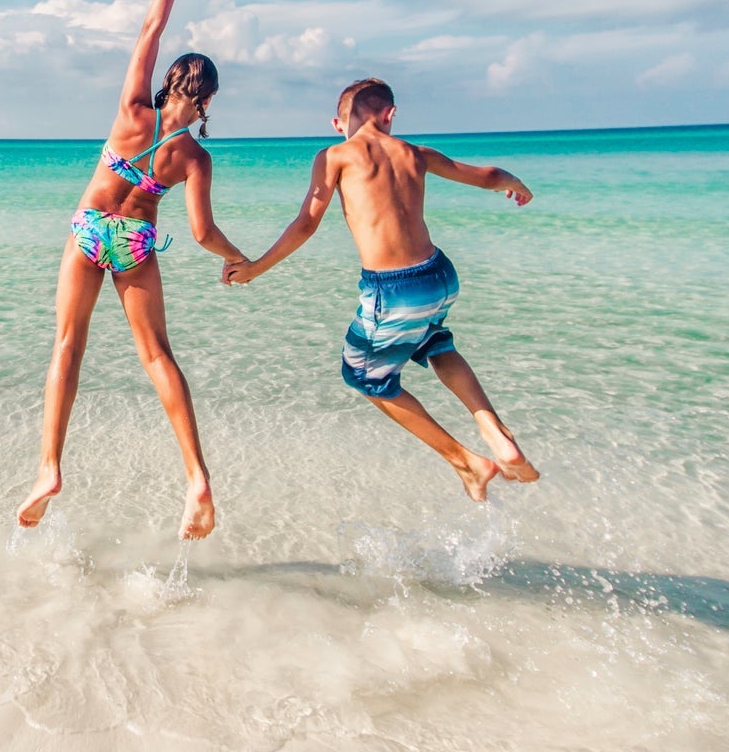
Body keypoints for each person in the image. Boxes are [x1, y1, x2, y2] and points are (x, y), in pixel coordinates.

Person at [15, 0, 249, 540]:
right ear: (207, 100)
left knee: (68, 345)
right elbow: (202, 233)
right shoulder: (195, 158)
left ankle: (48, 470)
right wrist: (241, 258)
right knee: (156, 355)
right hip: (137, 242)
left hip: (90, 229)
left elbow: (151, 24)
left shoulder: (131, 111)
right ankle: (197, 477)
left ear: (169, 81)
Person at [223, 78, 540, 501]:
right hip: (439, 275)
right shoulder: (416, 153)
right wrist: (517, 184)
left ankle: (469, 463)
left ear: (338, 123)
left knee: (362, 376)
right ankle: (496, 434)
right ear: (390, 115)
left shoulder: (334, 155)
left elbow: (305, 224)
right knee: (435, 344)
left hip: (392, 291)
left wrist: (256, 268)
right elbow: (489, 176)